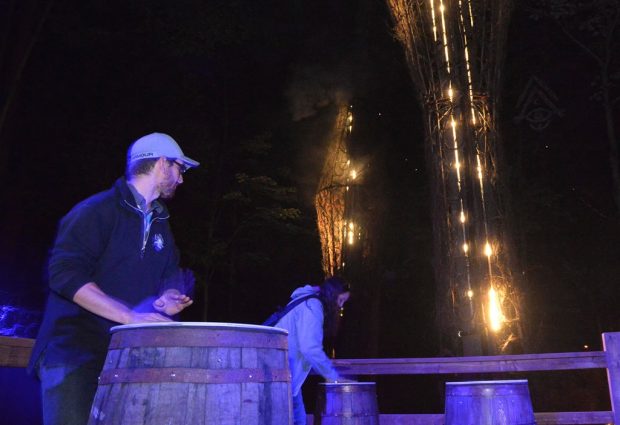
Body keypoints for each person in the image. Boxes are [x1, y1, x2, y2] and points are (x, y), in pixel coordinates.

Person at [28, 132, 199, 425]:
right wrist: (129, 316)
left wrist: (166, 297)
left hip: (123, 356)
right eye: (178, 168)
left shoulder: (161, 226)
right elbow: (64, 274)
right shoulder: (97, 211)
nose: (181, 178)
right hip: (74, 353)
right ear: (160, 164)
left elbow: (168, 274)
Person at [274, 276, 352, 425]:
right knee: (298, 420)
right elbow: (309, 348)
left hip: (286, 378)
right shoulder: (312, 307)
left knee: (299, 420)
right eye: (340, 300)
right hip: (280, 377)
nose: (341, 306)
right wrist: (332, 376)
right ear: (332, 295)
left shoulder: (309, 302)